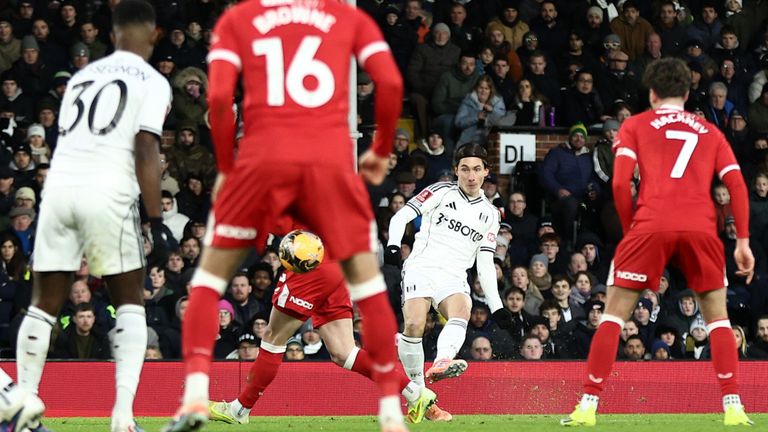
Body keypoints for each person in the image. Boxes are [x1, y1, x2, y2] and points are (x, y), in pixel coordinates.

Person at [166, 1, 406, 431]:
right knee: (369, 289)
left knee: (207, 279)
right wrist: (380, 150)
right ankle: (397, 406)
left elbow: (220, 99)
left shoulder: (239, 19)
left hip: (266, 162)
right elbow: (389, 81)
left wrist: (224, 167)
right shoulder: (346, 17)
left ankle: (199, 396)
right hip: (328, 166)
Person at [562, 58, 755, 427]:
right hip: (700, 229)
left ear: (651, 93)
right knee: (718, 322)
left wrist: (631, 225)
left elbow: (620, 185)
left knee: (613, 317)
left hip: (650, 226)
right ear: (686, 93)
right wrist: (742, 240)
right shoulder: (709, 131)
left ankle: (587, 406)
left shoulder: (635, 125)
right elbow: (737, 186)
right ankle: (733, 407)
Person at [13, 2, 171, 432]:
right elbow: (145, 147)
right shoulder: (154, 83)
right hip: (108, 192)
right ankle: (122, 418)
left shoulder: (82, 76)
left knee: (42, 306)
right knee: (130, 305)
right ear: (154, 36)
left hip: (60, 190)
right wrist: (155, 218)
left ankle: (23, 404)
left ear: (112, 34)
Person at [208, 258, 444, 425]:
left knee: (272, 338)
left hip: (310, 262)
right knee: (344, 352)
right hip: (336, 265)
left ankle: (239, 409)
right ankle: (416, 394)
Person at [385, 144, 508, 406]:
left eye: (477, 169)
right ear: (456, 171)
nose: (471, 176)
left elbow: (484, 262)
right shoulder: (440, 191)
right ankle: (419, 395)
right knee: (415, 325)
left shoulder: (490, 214)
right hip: (422, 265)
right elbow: (401, 216)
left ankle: (442, 361)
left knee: (462, 308)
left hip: (453, 275)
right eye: (465, 169)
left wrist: (497, 306)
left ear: (486, 172)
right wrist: (393, 246)